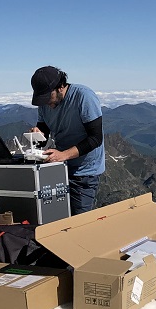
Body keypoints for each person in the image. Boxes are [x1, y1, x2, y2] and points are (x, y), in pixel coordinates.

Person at [29, 66, 105, 215]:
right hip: (59, 168)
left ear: (60, 87)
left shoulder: (84, 96)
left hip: (85, 172)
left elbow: (95, 138)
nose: (46, 103)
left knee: (78, 223)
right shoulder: (45, 104)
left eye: (47, 97)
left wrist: (64, 155)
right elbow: (43, 136)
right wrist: (37, 135)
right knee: (56, 217)